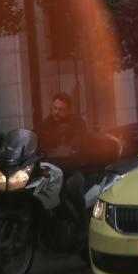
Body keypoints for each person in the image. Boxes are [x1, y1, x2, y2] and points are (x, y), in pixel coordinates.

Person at [36, 92, 89, 236]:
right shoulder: (47, 123)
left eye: (61, 109)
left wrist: (69, 147)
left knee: (72, 186)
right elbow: (36, 136)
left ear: (69, 110)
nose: (57, 112)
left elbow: (79, 139)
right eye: (55, 108)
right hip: (53, 168)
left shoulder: (77, 122)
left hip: (74, 168)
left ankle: (83, 226)